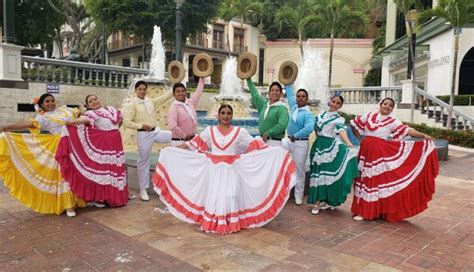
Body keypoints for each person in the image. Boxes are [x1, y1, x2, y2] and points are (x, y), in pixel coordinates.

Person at [152, 104, 296, 234]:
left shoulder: (240, 132)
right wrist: (173, 149)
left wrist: (277, 152)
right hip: (214, 170)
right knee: (215, 195)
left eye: (228, 113)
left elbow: (256, 145)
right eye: (223, 113)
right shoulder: (210, 130)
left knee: (231, 194)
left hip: (232, 169)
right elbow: (193, 143)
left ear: (232, 116)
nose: (226, 116)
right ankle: (216, 220)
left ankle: (230, 220)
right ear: (218, 115)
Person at [350, 97, 438, 222]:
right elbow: (353, 123)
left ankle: (368, 212)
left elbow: (408, 131)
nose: (387, 106)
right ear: (380, 105)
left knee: (374, 181)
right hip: (366, 150)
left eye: (390, 105)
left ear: (392, 108)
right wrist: (360, 139)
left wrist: (424, 135)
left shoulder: (393, 121)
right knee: (362, 178)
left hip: (379, 152)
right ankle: (364, 209)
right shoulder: (369, 116)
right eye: (385, 104)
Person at [0, 93, 84, 217]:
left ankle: (79, 199)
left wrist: (84, 110)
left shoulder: (65, 110)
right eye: (47, 101)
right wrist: (7, 127)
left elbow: (80, 114)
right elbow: (29, 124)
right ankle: (68, 206)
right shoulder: (43, 118)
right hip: (60, 145)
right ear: (42, 105)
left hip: (75, 144)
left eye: (52, 100)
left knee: (76, 172)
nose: (50, 103)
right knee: (63, 174)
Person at [55, 94, 129, 207]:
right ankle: (102, 197)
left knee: (115, 168)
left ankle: (114, 196)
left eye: (95, 99)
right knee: (105, 169)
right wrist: (72, 122)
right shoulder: (91, 114)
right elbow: (84, 119)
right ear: (88, 105)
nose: (94, 101)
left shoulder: (111, 109)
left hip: (116, 141)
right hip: (105, 143)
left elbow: (120, 120)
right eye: (90, 101)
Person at [307, 95, 359, 215]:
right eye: (333, 101)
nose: (334, 104)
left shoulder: (338, 119)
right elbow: (316, 129)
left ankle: (318, 202)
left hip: (329, 147)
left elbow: (342, 131)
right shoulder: (320, 115)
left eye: (338, 103)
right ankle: (323, 200)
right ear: (330, 101)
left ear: (340, 106)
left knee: (323, 174)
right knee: (317, 173)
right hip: (319, 145)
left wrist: (349, 144)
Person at [122, 80, 173, 201]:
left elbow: (165, 97)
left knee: (174, 136)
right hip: (143, 134)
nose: (142, 91)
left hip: (156, 131)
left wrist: (177, 82)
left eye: (144, 89)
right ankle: (143, 189)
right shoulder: (132, 104)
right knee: (143, 161)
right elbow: (126, 122)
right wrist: (141, 126)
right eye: (140, 89)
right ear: (135, 90)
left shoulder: (150, 101)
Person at [283, 87, 315, 205]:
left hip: (300, 143)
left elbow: (309, 128)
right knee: (276, 146)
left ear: (307, 99)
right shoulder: (294, 107)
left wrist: (296, 135)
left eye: (303, 96)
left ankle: (298, 195)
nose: (300, 98)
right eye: (298, 96)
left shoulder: (309, 114)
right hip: (289, 140)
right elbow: (289, 92)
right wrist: (287, 79)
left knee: (300, 170)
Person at [247, 79, 289, 147]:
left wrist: (268, 133)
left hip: (274, 142)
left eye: (277, 90)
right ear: (269, 93)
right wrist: (248, 79)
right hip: (262, 140)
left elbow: (282, 125)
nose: (274, 92)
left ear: (281, 94)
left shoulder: (282, 109)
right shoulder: (264, 105)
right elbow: (255, 94)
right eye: (272, 90)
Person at [167, 78, 204, 146]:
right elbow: (172, 126)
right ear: (174, 94)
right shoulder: (174, 108)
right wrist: (185, 136)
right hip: (179, 142)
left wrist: (202, 78)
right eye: (178, 91)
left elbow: (198, 93)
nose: (181, 93)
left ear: (185, 92)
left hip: (191, 141)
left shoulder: (190, 102)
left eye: (182, 91)